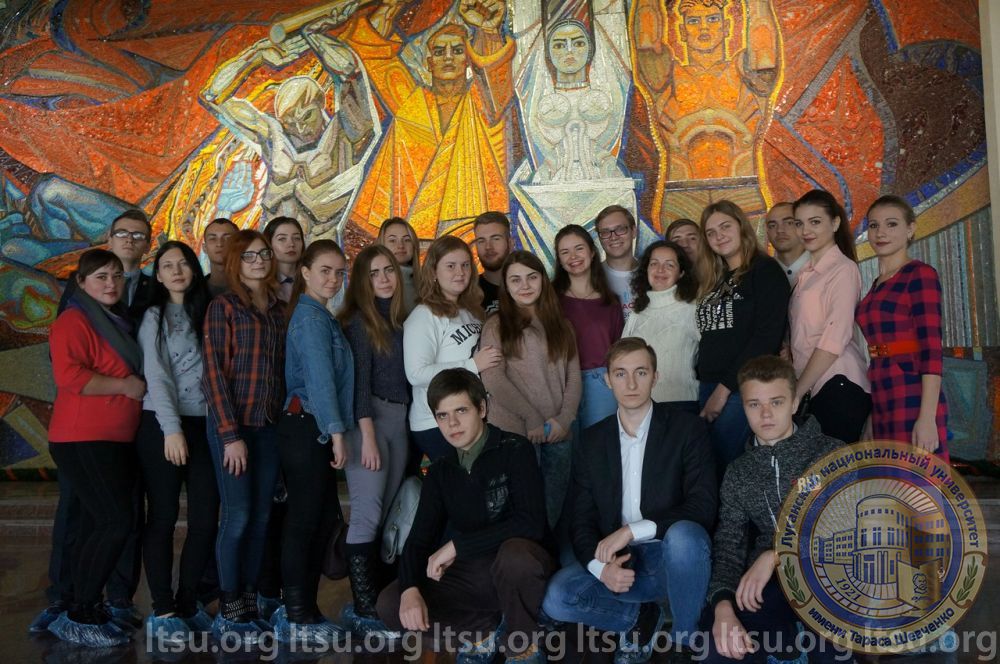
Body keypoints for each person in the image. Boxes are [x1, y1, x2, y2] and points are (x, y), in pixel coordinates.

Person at [541, 338, 716, 663]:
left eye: (641, 372)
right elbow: (580, 520)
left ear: (655, 376)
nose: (631, 384)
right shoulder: (592, 441)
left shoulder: (687, 429)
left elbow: (702, 508)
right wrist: (600, 569)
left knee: (685, 536)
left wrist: (631, 531)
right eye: (621, 374)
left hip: (672, 559)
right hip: (623, 563)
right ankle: (639, 619)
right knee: (558, 597)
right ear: (607, 380)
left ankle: (685, 642)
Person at [375, 369, 553, 663]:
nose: (452, 423)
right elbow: (418, 540)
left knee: (515, 556)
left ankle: (523, 645)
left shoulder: (514, 449)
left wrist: (458, 546)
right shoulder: (440, 470)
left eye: (461, 411)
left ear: (481, 408)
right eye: (442, 415)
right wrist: (409, 589)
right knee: (391, 603)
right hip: (476, 575)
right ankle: (481, 633)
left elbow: (530, 523)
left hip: (522, 568)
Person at [38, 209, 151, 636]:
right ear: (82, 283)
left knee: (101, 523)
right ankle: (77, 609)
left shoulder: (118, 317)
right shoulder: (74, 318)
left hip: (115, 437)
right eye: (101, 277)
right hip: (84, 436)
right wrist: (125, 386)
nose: (110, 283)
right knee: (112, 521)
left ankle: (90, 606)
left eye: (116, 277)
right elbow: (70, 376)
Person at [704, 355, 848, 664]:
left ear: (794, 403)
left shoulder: (832, 453)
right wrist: (723, 607)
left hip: (831, 579)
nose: (766, 414)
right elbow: (728, 546)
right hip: (768, 587)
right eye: (754, 404)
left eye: (777, 402)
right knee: (719, 650)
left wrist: (776, 554)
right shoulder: (739, 472)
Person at [202, 230, 286, 642]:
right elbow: (213, 374)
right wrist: (230, 435)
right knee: (236, 517)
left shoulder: (278, 310)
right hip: (232, 427)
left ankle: (250, 601)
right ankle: (230, 605)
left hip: (268, 427)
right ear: (237, 261)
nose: (259, 260)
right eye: (250, 255)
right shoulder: (224, 307)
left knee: (261, 517)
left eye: (264, 254)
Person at [136, 241, 217, 643]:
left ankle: (188, 602)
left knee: (205, 518)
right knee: (164, 516)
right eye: (167, 265)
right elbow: (157, 375)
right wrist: (171, 428)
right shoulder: (154, 316)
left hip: (206, 424)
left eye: (183, 263)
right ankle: (163, 608)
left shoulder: (209, 311)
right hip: (162, 423)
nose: (176, 271)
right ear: (159, 274)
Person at [271, 240, 351, 645]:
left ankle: (306, 611)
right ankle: (297, 615)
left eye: (339, 272)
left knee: (317, 521)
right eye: (325, 270)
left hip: (310, 426)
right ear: (304, 272)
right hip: (307, 428)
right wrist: (337, 434)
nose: (333, 279)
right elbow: (319, 381)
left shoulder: (320, 315)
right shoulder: (310, 319)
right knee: (304, 523)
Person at [480, 251, 581, 529]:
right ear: (506, 285)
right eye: (516, 280)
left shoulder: (562, 325)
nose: (524, 285)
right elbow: (493, 379)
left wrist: (565, 419)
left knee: (552, 509)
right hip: (516, 433)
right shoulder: (496, 325)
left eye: (532, 277)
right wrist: (531, 417)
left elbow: (573, 377)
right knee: (521, 511)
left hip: (557, 431)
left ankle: (545, 552)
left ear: (543, 280)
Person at [338, 245, 410, 634]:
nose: (383, 278)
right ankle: (364, 610)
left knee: (385, 514)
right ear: (361, 282)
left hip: (399, 421)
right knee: (366, 514)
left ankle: (381, 602)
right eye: (373, 273)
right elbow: (358, 386)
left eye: (388, 270)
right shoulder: (358, 323)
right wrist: (366, 437)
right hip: (369, 423)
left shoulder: (398, 321)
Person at [696, 201, 790, 470]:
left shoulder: (765, 270)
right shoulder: (715, 278)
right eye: (711, 232)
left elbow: (766, 338)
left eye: (725, 226)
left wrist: (723, 390)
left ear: (741, 227)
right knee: (711, 463)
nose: (719, 236)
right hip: (709, 382)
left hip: (745, 386)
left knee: (728, 463)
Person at [856, 195, 949, 459]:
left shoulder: (920, 274)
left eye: (892, 224)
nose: (880, 232)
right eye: (874, 225)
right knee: (889, 479)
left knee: (917, 479)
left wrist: (927, 417)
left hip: (912, 390)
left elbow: (931, 349)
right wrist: (872, 415)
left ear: (910, 229)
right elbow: (878, 352)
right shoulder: (876, 284)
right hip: (882, 389)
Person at [403, 235, 499, 462]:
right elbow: (416, 374)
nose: (460, 272)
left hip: (471, 417)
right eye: (451, 266)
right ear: (433, 272)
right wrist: (472, 365)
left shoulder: (471, 311)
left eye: (465, 265)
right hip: (436, 423)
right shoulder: (424, 316)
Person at [788, 190, 871, 443]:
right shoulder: (805, 273)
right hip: (813, 386)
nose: (805, 231)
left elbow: (836, 337)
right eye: (799, 223)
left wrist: (798, 391)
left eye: (815, 222)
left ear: (835, 223)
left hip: (838, 383)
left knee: (836, 467)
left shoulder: (843, 269)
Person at [553, 224, 624, 429]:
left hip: (601, 384)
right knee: (565, 446)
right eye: (565, 252)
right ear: (559, 260)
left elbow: (619, 349)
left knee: (599, 442)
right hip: (560, 383)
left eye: (579, 248)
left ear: (592, 252)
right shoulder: (549, 299)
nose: (573, 256)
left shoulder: (610, 302)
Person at [623, 240, 700, 411]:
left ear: (681, 273)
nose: (660, 270)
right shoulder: (636, 313)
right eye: (654, 264)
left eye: (669, 265)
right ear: (646, 270)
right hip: (639, 407)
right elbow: (623, 360)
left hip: (682, 404)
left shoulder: (693, 310)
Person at [57, 209, 153, 323]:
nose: (129, 240)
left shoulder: (157, 286)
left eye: (138, 235)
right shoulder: (83, 279)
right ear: (110, 241)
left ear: (148, 246)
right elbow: (64, 322)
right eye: (121, 233)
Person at [596, 205, 639, 321]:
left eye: (620, 229)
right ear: (599, 238)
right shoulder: (592, 278)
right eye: (605, 232)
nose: (613, 237)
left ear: (634, 231)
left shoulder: (654, 274)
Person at [472, 211, 513, 315]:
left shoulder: (529, 287)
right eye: (481, 241)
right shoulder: (467, 292)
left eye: (495, 239)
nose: (488, 247)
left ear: (510, 243)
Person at [376, 217, 420, 313]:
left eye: (407, 240)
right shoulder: (373, 284)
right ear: (381, 245)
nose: (400, 246)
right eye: (392, 240)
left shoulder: (425, 284)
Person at [666, 217, 715, 298]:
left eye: (692, 238)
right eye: (676, 240)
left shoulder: (720, 276)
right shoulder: (665, 282)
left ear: (704, 243)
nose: (685, 244)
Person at [764, 202, 808, 285]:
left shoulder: (827, 268)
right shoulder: (759, 274)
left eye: (789, 223)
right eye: (772, 225)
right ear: (767, 233)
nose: (779, 230)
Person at [263, 216, 305, 302]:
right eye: (282, 239)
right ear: (269, 243)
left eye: (296, 238)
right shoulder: (262, 283)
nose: (291, 244)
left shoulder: (311, 279)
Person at [202, 217, 238, 296]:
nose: (220, 244)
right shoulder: (193, 291)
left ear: (237, 246)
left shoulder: (251, 289)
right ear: (204, 248)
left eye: (228, 238)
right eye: (212, 239)